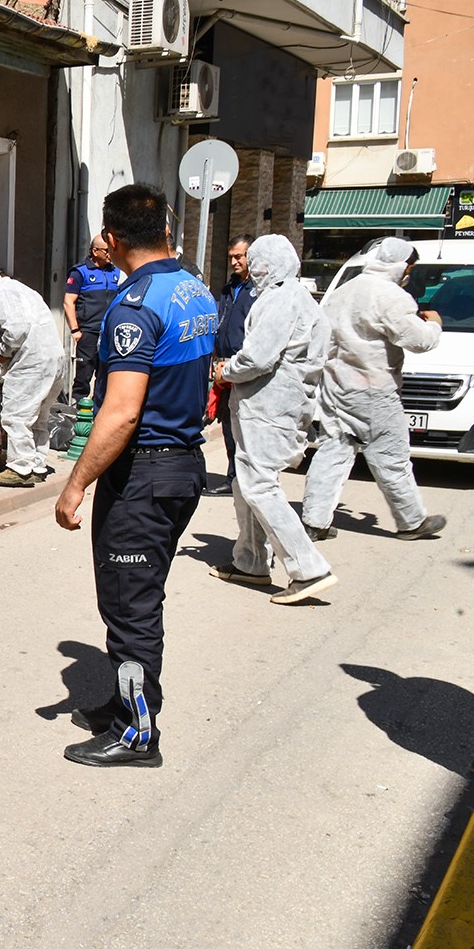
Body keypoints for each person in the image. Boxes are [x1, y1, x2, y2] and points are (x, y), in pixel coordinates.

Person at [53, 184, 217, 769]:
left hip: (145, 474)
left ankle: (135, 733)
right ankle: (134, 701)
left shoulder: (136, 305)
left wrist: (75, 485)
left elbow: (121, 411)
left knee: (130, 608)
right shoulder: (194, 288)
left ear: (112, 240)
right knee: (140, 599)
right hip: (181, 467)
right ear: (168, 232)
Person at [209, 235, 337, 605]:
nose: (252, 268)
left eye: (255, 260)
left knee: (260, 486)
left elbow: (258, 358)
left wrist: (225, 371)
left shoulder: (281, 300)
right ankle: (250, 561)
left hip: (268, 407)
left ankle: (308, 567)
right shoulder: (299, 298)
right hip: (271, 406)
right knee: (246, 483)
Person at [301, 236, 447, 542]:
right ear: (401, 266)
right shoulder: (391, 296)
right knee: (391, 457)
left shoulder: (344, 291)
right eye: (411, 267)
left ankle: (314, 520)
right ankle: (411, 520)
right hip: (374, 390)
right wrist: (434, 324)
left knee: (333, 452)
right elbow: (418, 340)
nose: (410, 273)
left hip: (336, 386)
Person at [0, 267, 66, 488]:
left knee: (16, 416)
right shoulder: (24, 290)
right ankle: (37, 464)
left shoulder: (3, 293)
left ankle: (20, 468)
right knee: (39, 416)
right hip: (54, 359)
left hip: (32, 362)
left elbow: (16, 329)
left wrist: (0, 353)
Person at [208, 234, 258, 495]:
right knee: (228, 425)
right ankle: (232, 477)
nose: (234, 262)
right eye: (231, 257)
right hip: (223, 367)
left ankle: (248, 479)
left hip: (246, 368)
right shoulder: (229, 289)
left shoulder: (258, 290)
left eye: (239, 256)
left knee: (245, 428)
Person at [64, 233, 121, 402]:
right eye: (106, 250)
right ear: (95, 251)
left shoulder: (115, 270)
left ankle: (99, 409)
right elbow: (68, 302)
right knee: (84, 372)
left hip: (108, 330)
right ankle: (76, 407)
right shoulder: (80, 272)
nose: (110, 253)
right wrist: (75, 330)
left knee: (105, 372)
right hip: (88, 330)